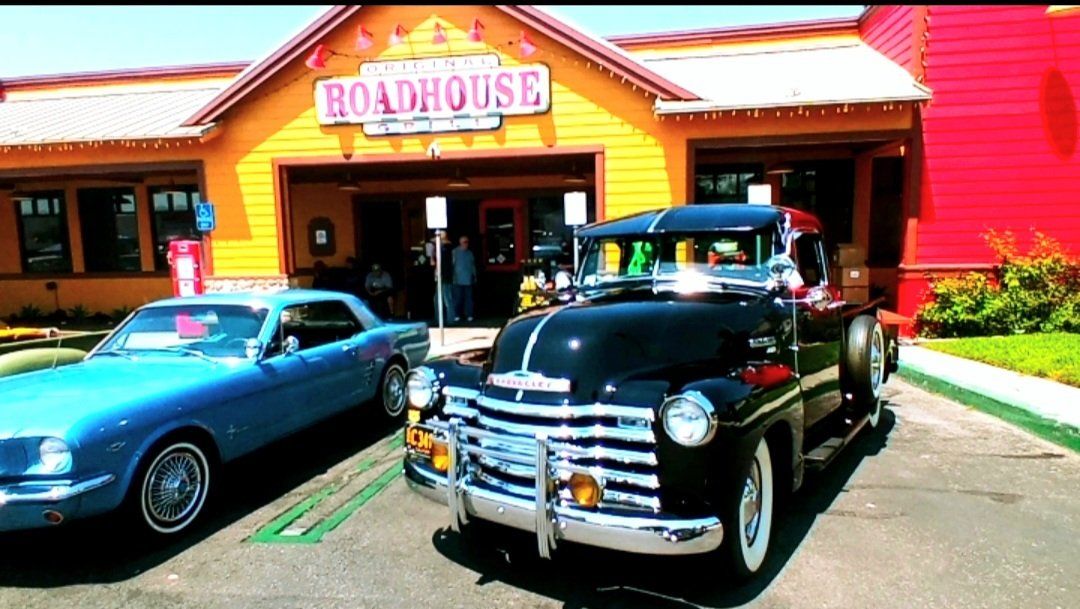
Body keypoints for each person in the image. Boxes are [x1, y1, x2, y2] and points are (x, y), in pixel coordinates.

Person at [451, 235, 477, 322]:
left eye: (467, 242)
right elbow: (452, 265)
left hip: (468, 279)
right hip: (457, 280)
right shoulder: (454, 252)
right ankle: (456, 315)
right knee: (457, 298)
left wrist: (474, 275)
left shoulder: (470, 253)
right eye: (465, 242)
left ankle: (469, 315)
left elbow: (472, 266)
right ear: (460, 243)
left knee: (469, 299)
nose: (466, 244)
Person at [431, 232, 454, 322]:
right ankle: (440, 319)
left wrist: (433, 254)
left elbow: (435, 263)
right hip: (442, 277)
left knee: (446, 298)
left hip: (444, 277)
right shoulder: (444, 249)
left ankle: (449, 319)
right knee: (438, 299)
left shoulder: (445, 249)